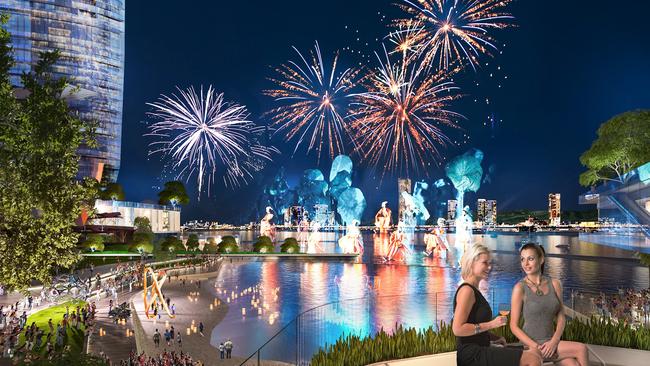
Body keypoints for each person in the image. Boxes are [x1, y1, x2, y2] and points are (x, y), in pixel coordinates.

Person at [452, 244, 541, 366]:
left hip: (482, 349)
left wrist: (494, 338)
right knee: (532, 359)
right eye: (485, 263)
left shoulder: (474, 290)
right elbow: (458, 329)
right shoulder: (467, 291)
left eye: (490, 263)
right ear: (472, 263)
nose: (489, 267)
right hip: (472, 355)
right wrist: (491, 324)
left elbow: (475, 329)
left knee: (535, 353)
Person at [510, 243, 589, 365]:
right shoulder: (519, 288)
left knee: (572, 364)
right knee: (581, 348)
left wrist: (554, 341)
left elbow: (561, 316)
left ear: (541, 260)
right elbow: (513, 326)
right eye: (522, 259)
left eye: (530, 259)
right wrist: (536, 346)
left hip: (552, 342)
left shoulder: (555, 284)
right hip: (530, 345)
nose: (525, 264)